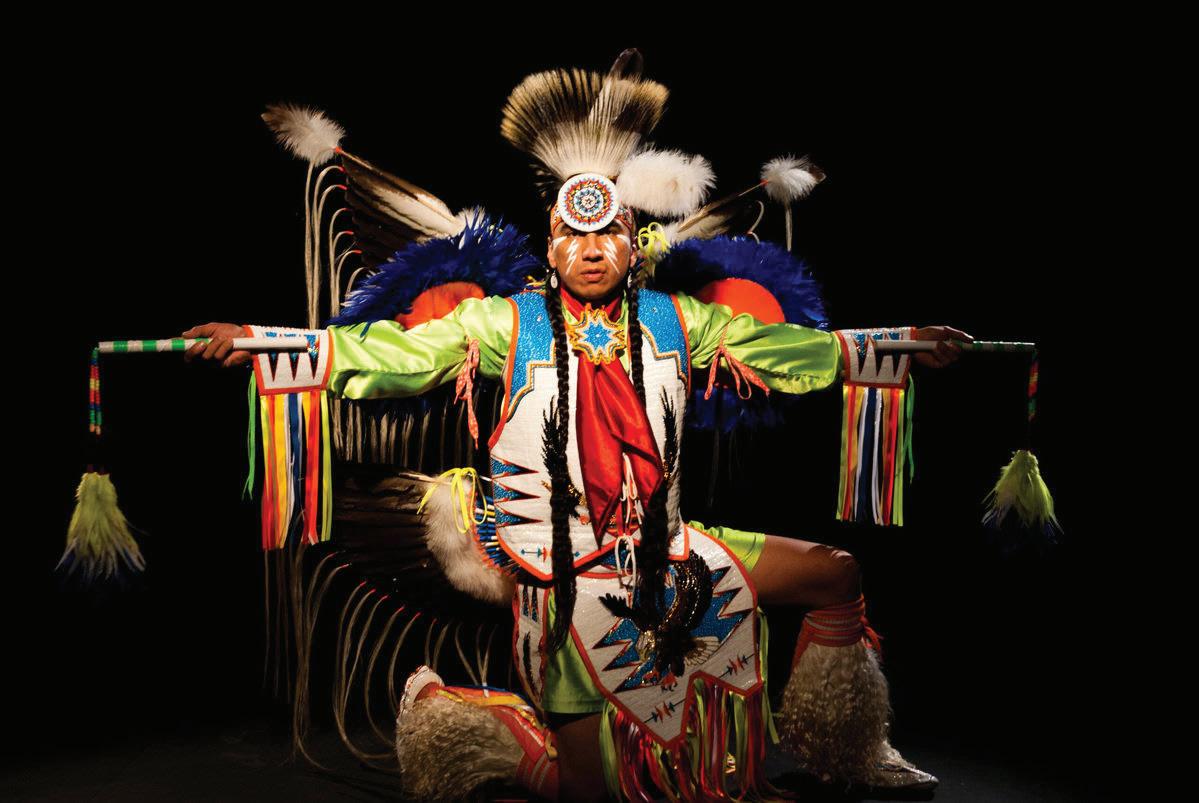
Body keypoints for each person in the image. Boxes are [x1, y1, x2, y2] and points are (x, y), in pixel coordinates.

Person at [183, 198, 967, 800]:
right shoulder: (504, 323)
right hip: (562, 581)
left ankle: (849, 749)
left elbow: (789, 349)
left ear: (632, 244)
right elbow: (393, 353)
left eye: (607, 234)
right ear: (551, 246)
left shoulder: (677, 320)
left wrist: (897, 343)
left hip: (667, 551)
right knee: (588, 792)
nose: (591, 251)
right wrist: (266, 342)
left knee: (833, 572)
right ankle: (471, 724)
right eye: (572, 235)